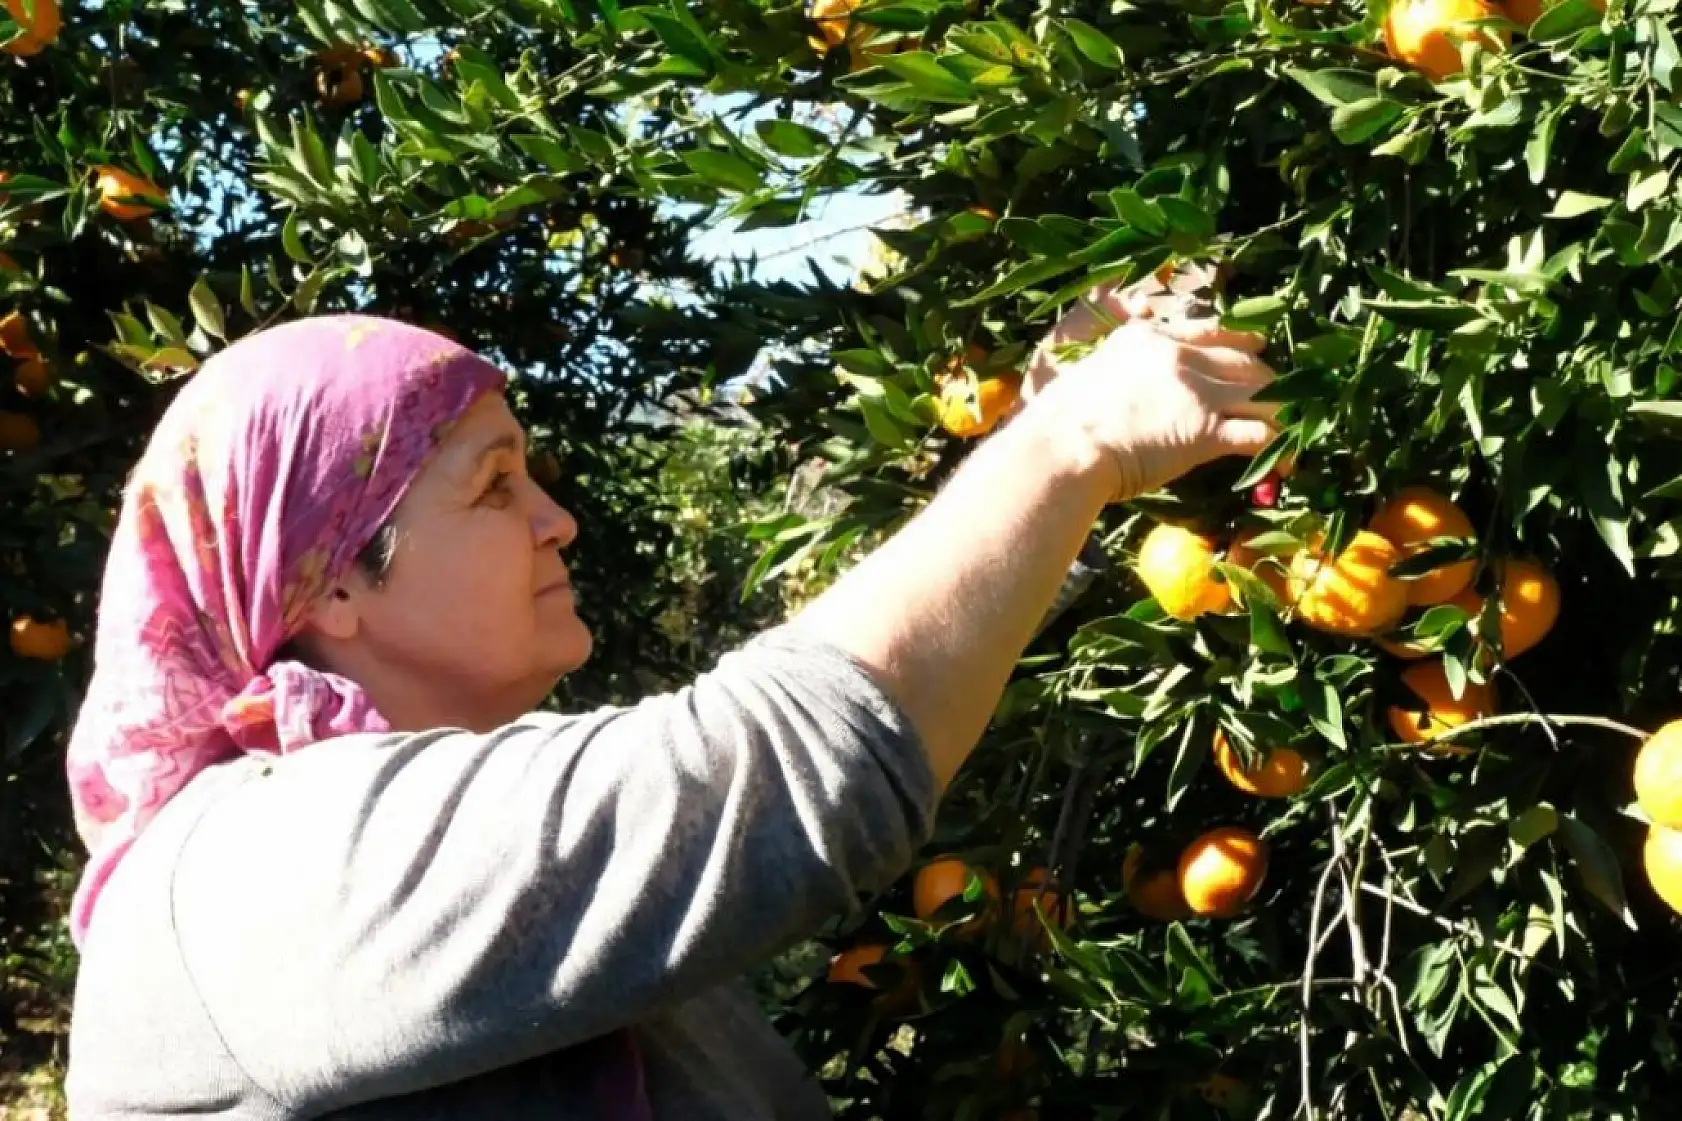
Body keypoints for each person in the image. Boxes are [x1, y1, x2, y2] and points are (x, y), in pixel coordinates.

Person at [61, 283, 1275, 1119]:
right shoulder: (253, 865)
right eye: (494, 489)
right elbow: (785, 761)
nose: (555, 519)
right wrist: (1064, 448)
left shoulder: (442, 824)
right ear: (325, 578)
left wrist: (1046, 458)